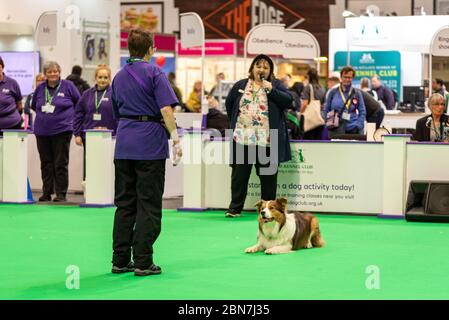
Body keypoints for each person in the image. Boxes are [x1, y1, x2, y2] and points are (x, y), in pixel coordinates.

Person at [110, 29, 182, 276]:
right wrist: (175, 138)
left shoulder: (118, 76)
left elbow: (116, 111)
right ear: (151, 48)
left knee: (125, 204)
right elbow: (166, 110)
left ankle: (119, 259)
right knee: (149, 204)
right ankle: (143, 261)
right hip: (149, 145)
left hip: (124, 144)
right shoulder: (155, 72)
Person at [224, 54, 292, 218]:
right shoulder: (241, 85)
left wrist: (271, 90)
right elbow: (230, 105)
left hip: (267, 140)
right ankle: (235, 209)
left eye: (265, 67)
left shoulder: (275, 85)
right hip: (243, 138)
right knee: (239, 177)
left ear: (270, 71)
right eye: (258, 66)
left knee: (268, 177)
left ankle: (268, 211)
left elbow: (288, 101)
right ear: (252, 68)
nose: (261, 69)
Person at [31, 61, 81, 202]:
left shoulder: (68, 86)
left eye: (55, 71)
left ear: (59, 72)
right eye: (49, 72)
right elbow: (35, 105)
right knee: (45, 163)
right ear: (45, 74)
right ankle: (46, 192)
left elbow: (79, 104)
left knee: (60, 163)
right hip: (42, 132)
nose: (52, 74)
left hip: (62, 131)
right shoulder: (40, 89)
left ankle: (61, 193)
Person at [73, 64, 118, 184]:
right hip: (90, 137)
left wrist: (119, 134)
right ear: (95, 78)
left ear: (109, 79)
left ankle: (106, 191)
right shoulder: (87, 94)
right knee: (91, 165)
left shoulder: (115, 94)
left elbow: (120, 115)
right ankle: (90, 191)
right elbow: (78, 114)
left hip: (110, 137)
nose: (103, 80)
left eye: (105, 77)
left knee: (107, 165)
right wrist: (77, 134)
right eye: (100, 77)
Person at [324, 66, 366, 138]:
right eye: (345, 77)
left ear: (352, 78)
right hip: (335, 129)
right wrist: (328, 123)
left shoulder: (357, 93)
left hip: (352, 129)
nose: (347, 79)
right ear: (341, 77)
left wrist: (358, 125)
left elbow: (362, 111)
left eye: (349, 77)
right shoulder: (333, 92)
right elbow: (326, 109)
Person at [300, 68, 326, 140]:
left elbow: (305, 104)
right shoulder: (322, 88)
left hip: (310, 119)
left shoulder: (308, 87)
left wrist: (300, 113)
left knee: (308, 140)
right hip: (320, 118)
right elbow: (323, 104)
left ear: (309, 76)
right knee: (317, 140)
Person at [0, 56, 23, 133]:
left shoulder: (12, 83)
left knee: (12, 145)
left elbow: (19, 105)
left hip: (12, 125)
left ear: (2, 67)